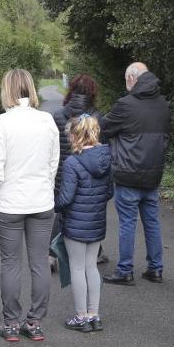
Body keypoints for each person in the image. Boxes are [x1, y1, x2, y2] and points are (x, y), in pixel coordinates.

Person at [0, 68, 60, 342]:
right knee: (39, 261)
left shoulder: (1, 123)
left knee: (10, 262)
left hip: (8, 202)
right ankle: (36, 321)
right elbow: (53, 162)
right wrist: (44, 185)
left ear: (6, 90)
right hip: (40, 200)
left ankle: (11, 323)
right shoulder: (47, 121)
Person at [101, 62, 170, 285]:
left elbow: (104, 129)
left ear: (132, 79)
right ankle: (156, 268)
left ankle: (125, 270)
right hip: (153, 173)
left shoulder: (125, 105)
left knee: (127, 222)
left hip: (128, 172)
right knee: (152, 222)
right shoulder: (162, 104)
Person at [55, 115, 112, 333]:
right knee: (91, 267)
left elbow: (66, 197)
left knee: (77, 268)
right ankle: (93, 314)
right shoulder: (106, 158)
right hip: (97, 221)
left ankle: (80, 317)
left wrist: (55, 205)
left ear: (76, 135)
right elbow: (110, 191)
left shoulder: (72, 162)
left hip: (76, 223)